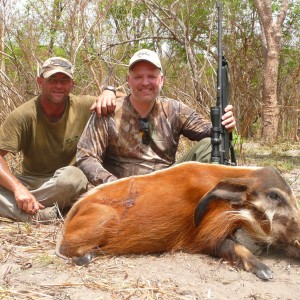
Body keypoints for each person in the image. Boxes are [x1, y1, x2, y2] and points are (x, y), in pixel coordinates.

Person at [76, 49, 236, 186]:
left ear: (161, 80)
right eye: (138, 77)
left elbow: (212, 134)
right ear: (128, 81)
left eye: (151, 76)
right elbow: (85, 156)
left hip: (165, 188)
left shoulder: (175, 109)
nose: (145, 82)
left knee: (210, 144)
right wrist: (113, 184)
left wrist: (225, 125)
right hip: (120, 190)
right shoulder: (108, 109)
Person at [0, 57, 119, 223]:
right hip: (32, 182)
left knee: (74, 178)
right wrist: (18, 188)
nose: (58, 86)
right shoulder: (23, 115)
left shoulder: (84, 105)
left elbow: (128, 98)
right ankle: (42, 214)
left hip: (66, 183)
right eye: (52, 80)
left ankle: (21, 207)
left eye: (64, 80)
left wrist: (109, 91)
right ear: (40, 81)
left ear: (72, 84)